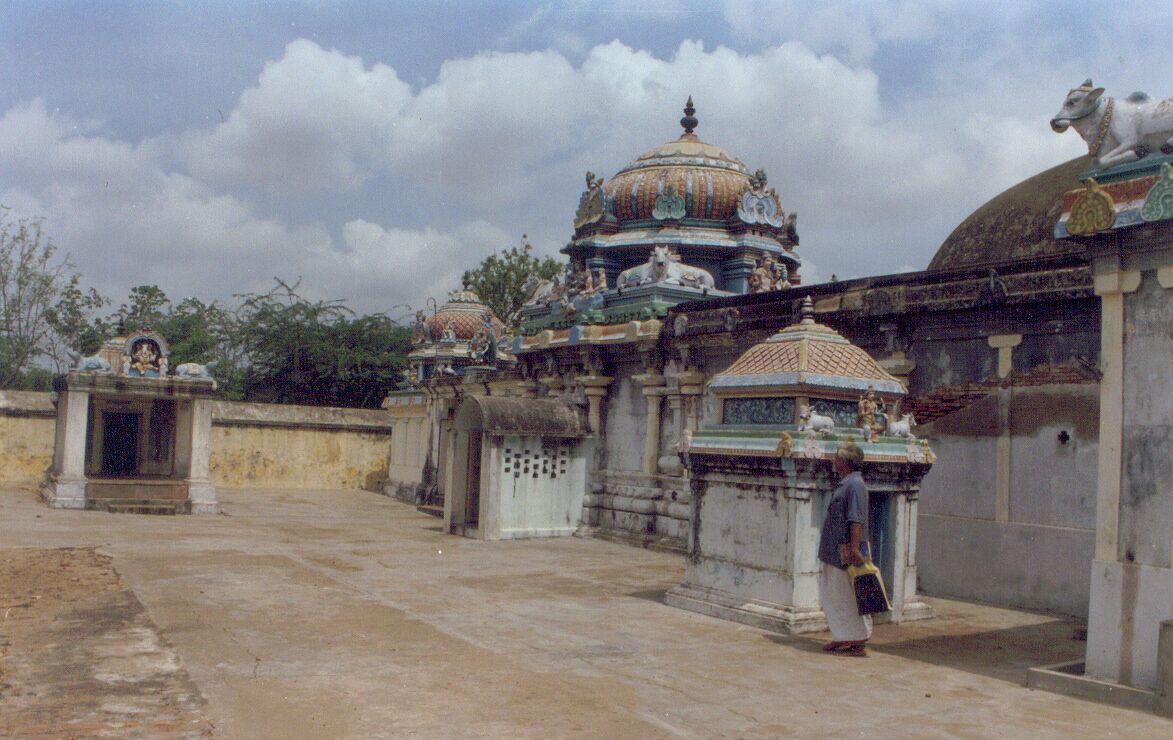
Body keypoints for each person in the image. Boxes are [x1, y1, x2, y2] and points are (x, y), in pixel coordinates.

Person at [817, 441, 871, 657]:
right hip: (835, 549)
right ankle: (843, 637)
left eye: (837, 458)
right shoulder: (846, 483)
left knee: (847, 595)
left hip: (846, 551)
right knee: (835, 595)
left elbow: (855, 519)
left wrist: (855, 549)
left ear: (846, 462)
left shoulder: (855, 485)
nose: (834, 461)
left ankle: (857, 640)